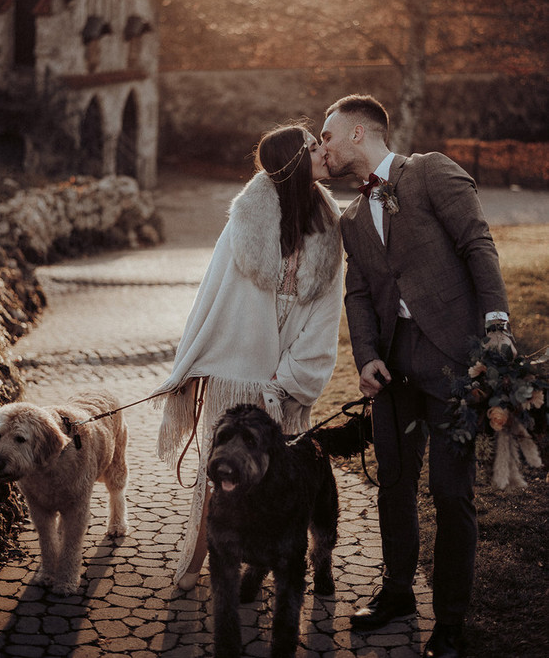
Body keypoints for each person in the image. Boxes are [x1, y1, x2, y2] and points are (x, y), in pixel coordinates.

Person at [320, 95, 514, 658]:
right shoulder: (351, 219)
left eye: (328, 135)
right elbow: (359, 293)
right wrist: (365, 357)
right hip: (393, 369)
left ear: (358, 133)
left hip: (455, 360)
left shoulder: (430, 171)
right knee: (394, 483)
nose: (323, 147)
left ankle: (450, 621)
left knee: (451, 494)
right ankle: (399, 592)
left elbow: (477, 243)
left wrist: (496, 324)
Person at [151, 124, 344, 590]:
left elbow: (325, 315)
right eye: (313, 147)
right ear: (294, 162)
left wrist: (290, 378)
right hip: (235, 376)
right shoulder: (246, 220)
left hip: (289, 380)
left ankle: (268, 566)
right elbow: (214, 296)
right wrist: (196, 363)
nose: (323, 151)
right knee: (220, 473)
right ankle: (198, 560)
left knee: (279, 477)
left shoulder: (329, 227)